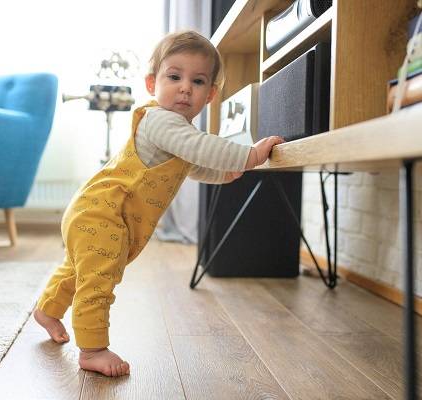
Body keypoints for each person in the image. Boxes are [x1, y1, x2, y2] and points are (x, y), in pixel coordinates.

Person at [33, 30, 284, 377]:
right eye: (174, 76)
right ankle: (92, 349)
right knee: (99, 280)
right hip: (103, 212)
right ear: (153, 83)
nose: (185, 88)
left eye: (197, 81)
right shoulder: (162, 121)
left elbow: (192, 166)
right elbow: (203, 149)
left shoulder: (176, 133)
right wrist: (249, 156)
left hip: (96, 210)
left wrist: (222, 176)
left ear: (210, 94)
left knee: (79, 270)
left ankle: (48, 309)